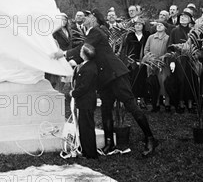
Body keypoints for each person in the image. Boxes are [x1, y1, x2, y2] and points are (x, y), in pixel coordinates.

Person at [58, 9, 158, 157]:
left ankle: (150, 138)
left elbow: (83, 48)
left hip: (116, 75)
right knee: (106, 110)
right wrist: (72, 62)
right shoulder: (91, 33)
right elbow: (85, 54)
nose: (84, 18)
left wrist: (63, 54)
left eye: (87, 16)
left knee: (131, 105)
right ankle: (109, 142)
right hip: (104, 78)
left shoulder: (96, 31)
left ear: (94, 19)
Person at [70, 43, 98, 159]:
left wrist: (73, 93)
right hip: (85, 101)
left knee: (87, 127)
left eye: (81, 50)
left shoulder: (89, 69)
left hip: (86, 101)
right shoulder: (86, 65)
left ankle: (90, 153)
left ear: (84, 54)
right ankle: (86, 150)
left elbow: (84, 87)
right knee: (84, 126)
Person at [143, 21, 170, 112]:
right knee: (154, 84)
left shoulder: (167, 38)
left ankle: (167, 104)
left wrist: (164, 58)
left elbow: (170, 51)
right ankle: (156, 104)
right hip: (152, 65)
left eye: (161, 25)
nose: (158, 26)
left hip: (163, 65)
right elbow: (146, 50)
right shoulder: (151, 37)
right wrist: (151, 58)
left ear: (165, 27)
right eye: (157, 24)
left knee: (164, 84)